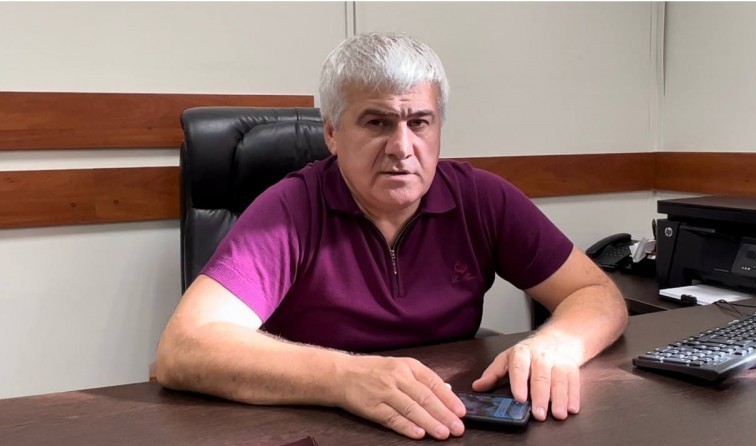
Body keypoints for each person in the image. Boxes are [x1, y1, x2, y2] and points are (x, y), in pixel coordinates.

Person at [156, 32, 628, 441]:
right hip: (316, 426)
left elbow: (596, 293)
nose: (402, 148)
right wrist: (344, 377)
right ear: (332, 133)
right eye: (377, 122)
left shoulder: (482, 199)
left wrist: (557, 344)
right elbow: (184, 347)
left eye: (419, 122)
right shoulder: (289, 209)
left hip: (450, 420)